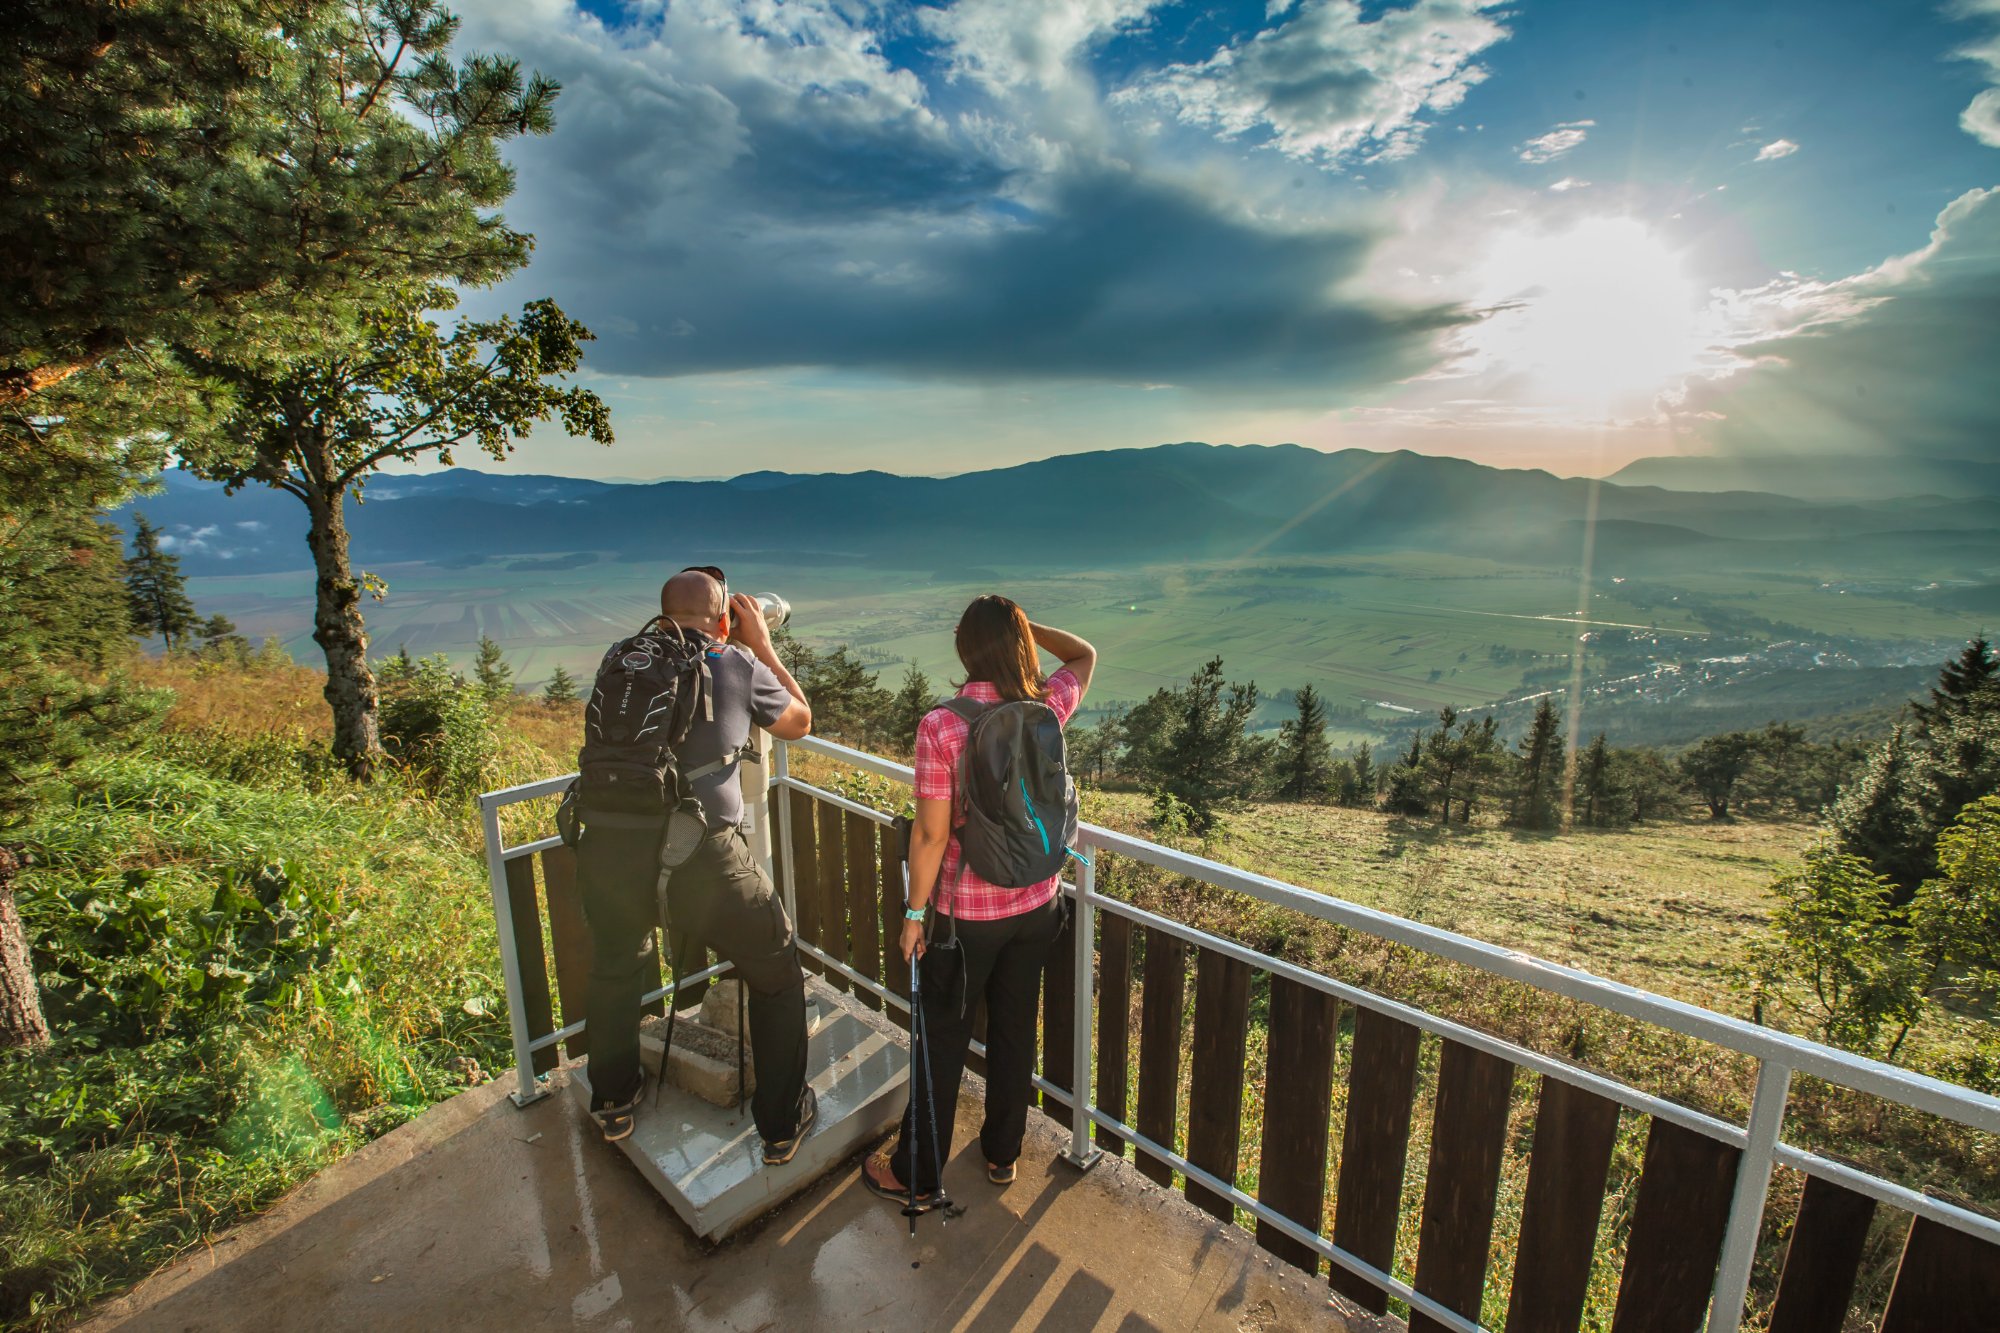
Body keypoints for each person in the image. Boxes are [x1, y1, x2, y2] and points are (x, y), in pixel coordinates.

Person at [861, 595, 1095, 1205]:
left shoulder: (943, 725)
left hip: (966, 918)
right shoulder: (1045, 705)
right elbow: (1084, 655)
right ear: (1020, 646)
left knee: (941, 1038)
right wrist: (1027, 627)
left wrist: (915, 916)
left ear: (964, 650)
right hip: (1039, 904)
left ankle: (917, 1170)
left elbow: (933, 834)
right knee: (1015, 1029)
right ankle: (1002, 1155)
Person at [582, 568, 819, 1162]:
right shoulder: (733, 663)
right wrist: (759, 644)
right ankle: (782, 1124)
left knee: (616, 965)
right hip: (703, 860)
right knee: (776, 970)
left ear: (662, 617)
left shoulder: (623, 659)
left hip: (608, 848)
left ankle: (612, 1100)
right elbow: (799, 720)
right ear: (722, 620)